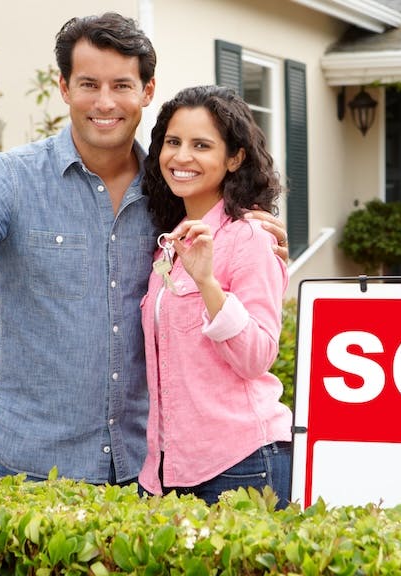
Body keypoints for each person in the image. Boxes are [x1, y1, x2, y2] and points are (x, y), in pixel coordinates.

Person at [0, 13, 288, 486]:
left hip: (148, 468)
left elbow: (224, 255)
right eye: (89, 83)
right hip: (36, 468)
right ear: (63, 87)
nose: (105, 102)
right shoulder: (8, 180)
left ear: (147, 92)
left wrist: (245, 228)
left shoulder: (172, 194)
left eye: (122, 85)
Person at [138, 85, 292, 507]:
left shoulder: (250, 237)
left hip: (241, 463)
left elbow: (257, 356)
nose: (181, 157)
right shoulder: (167, 245)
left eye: (201, 145)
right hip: (167, 470)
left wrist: (208, 284)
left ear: (234, 158)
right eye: (173, 142)